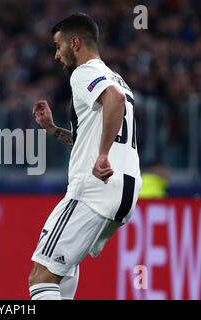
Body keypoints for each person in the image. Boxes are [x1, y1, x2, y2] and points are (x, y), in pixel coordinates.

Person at [29, 13, 143, 300]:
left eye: (58, 46)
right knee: (63, 274)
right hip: (124, 190)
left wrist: (102, 155)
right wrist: (54, 130)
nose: (56, 56)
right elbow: (87, 140)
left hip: (93, 188)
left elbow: (113, 99)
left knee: (41, 277)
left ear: (75, 43)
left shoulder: (84, 72)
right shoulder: (117, 78)